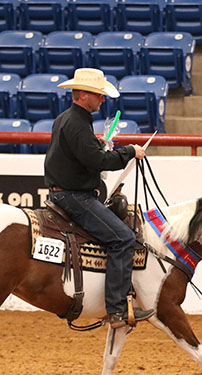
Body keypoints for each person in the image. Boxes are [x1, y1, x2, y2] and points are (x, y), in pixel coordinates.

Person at [44, 68, 155, 328]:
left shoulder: (66, 119)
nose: (103, 99)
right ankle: (117, 309)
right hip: (75, 198)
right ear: (84, 95)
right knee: (124, 238)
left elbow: (84, 155)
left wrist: (97, 143)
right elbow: (98, 160)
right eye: (99, 95)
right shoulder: (78, 123)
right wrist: (129, 152)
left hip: (65, 193)